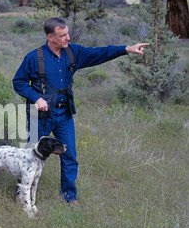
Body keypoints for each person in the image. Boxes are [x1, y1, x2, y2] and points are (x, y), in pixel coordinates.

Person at [12, 17, 149, 206]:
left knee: (69, 155)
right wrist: (37, 98)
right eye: (63, 35)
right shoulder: (33, 58)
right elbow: (18, 82)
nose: (68, 37)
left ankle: (69, 196)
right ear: (50, 37)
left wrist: (126, 49)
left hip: (64, 115)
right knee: (30, 155)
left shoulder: (73, 52)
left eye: (68, 33)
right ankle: (21, 194)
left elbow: (99, 53)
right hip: (40, 116)